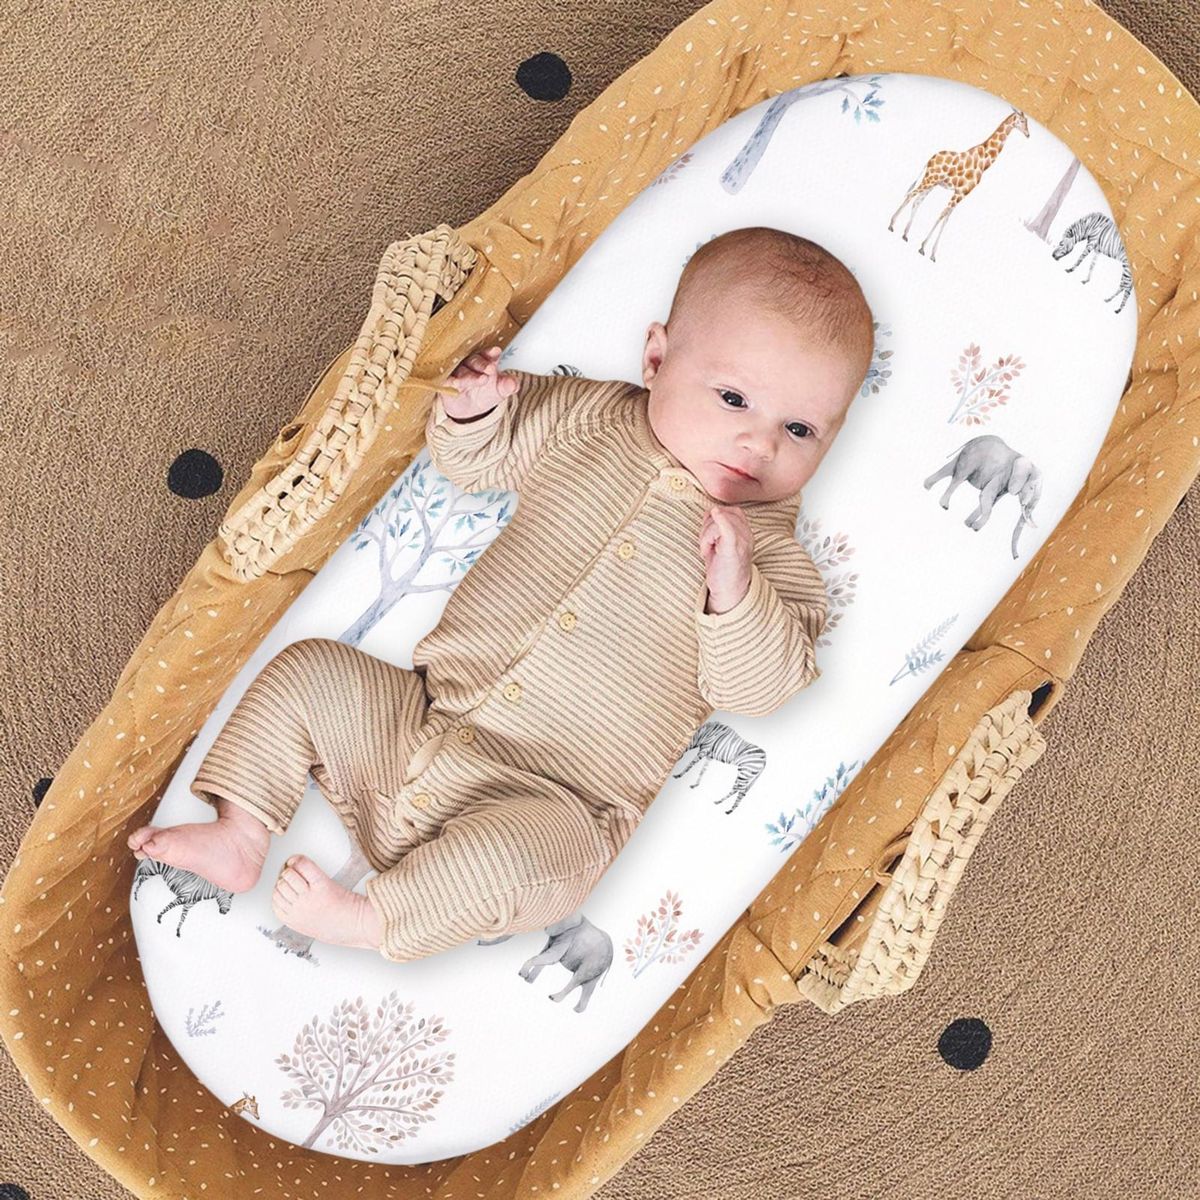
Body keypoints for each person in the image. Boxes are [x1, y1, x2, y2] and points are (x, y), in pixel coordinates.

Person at [126, 225, 875, 961]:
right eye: (734, 398)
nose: (761, 443)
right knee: (311, 671)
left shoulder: (773, 561)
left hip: (555, 804)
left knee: (515, 863)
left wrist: (734, 593)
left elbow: (759, 689)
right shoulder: (591, 419)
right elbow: (477, 461)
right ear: (656, 359)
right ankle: (241, 831)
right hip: (422, 721)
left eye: (800, 429)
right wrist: (473, 411)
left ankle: (376, 918)